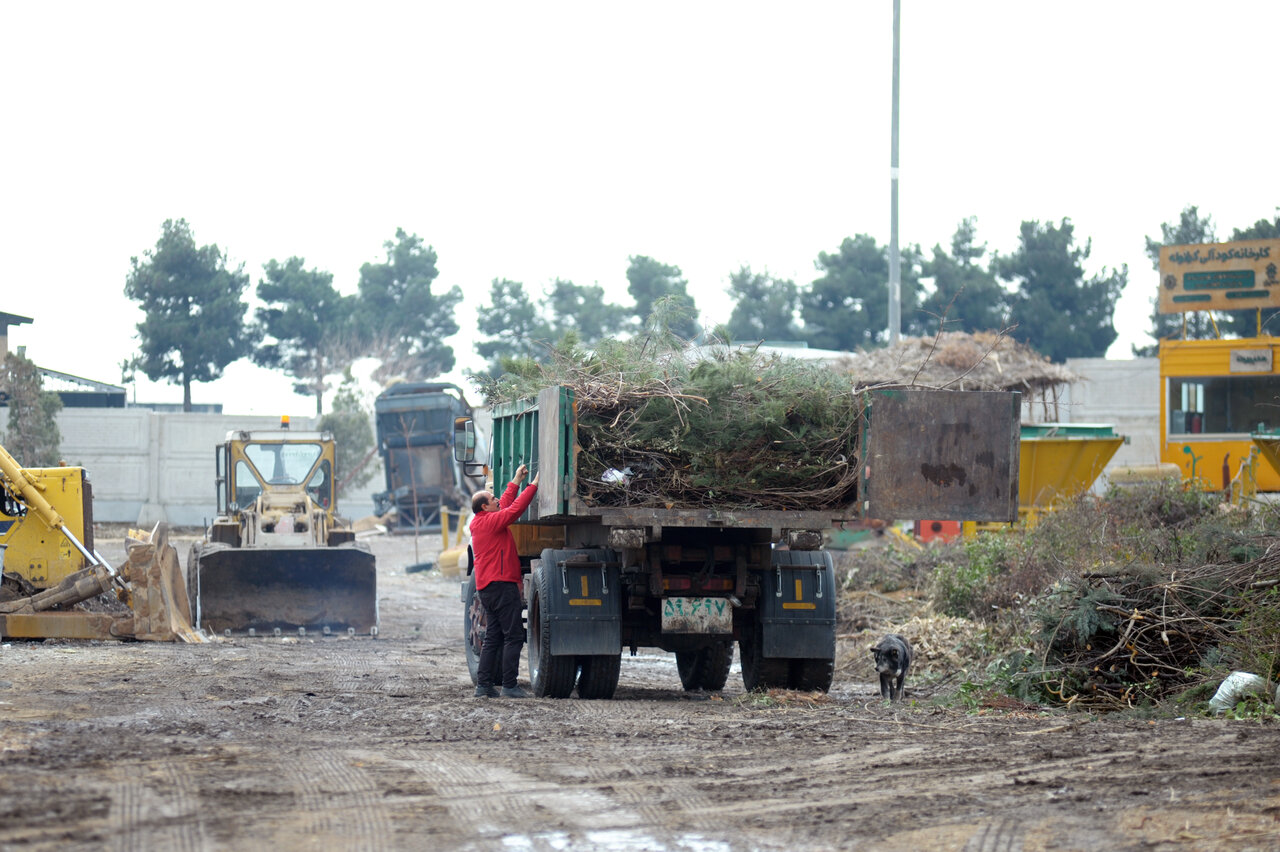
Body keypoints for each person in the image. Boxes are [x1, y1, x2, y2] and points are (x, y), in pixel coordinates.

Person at [470, 463, 539, 698]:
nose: (496, 498)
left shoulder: (482, 522)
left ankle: (484, 685)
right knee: (514, 636)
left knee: (493, 638)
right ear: (483, 507)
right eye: (492, 498)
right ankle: (509, 685)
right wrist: (533, 487)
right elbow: (513, 510)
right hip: (501, 586)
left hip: (488, 588)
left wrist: (517, 481)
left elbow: (505, 504)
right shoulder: (489, 523)